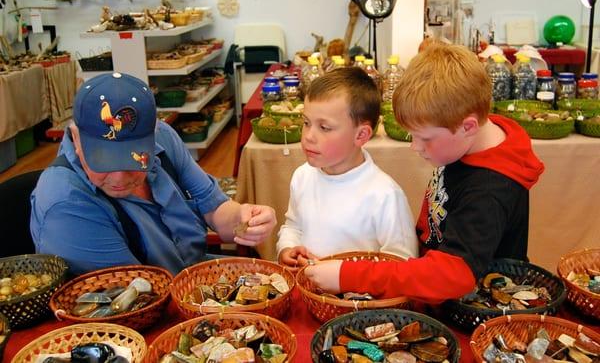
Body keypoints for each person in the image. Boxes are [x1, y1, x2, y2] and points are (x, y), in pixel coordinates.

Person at [305, 44, 545, 303]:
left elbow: (452, 275)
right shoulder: (465, 139)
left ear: (468, 127)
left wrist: (350, 275)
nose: (415, 147)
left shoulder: (490, 190)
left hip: (475, 305)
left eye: (425, 138)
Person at [30, 72, 277, 275]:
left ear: (152, 134)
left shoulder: (164, 138)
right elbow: (134, 302)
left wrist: (243, 220)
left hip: (193, 277)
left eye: (135, 159)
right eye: (103, 160)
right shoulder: (64, 202)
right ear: (75, 137)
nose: (119, 178)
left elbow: (213, 207)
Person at [277, 67, 418, 268]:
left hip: (359, 298)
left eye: (324, 127)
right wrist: (287, 248)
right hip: (308, 293)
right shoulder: (302, 176)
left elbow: (401, 262)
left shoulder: (385, 195)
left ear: (361, 135)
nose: (308, 136)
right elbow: (293, 226)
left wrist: (345, 277)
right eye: (307, 123)